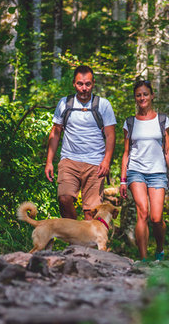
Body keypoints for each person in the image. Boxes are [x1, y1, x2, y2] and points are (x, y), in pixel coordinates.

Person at [45, 65, 116, 220]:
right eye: (80, 84)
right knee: (64, 199)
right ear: (74, 83)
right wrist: (49, 161)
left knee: (91, 212)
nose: (84, 88)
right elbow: (55, 132)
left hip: (95, 163)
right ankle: (75, 238)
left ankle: (86, 244)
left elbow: (110, 136)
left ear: (93, 83)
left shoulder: (103, 105)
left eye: (88, 84)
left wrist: (106, 161)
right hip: (69, 160)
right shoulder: (65, 104)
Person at [118, 80, 169, 261]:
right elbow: (126, 152)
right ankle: (143, 260)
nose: (142, 97)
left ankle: (159, 250)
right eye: (138, 95)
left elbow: (167, 150)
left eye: (145, 94)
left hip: (158, 173)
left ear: (152, 96)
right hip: (136, 171)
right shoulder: (130, 122)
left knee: (156, 218)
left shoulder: (162, 120)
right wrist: (122, 179)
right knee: (142, 212)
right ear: (135, 98)